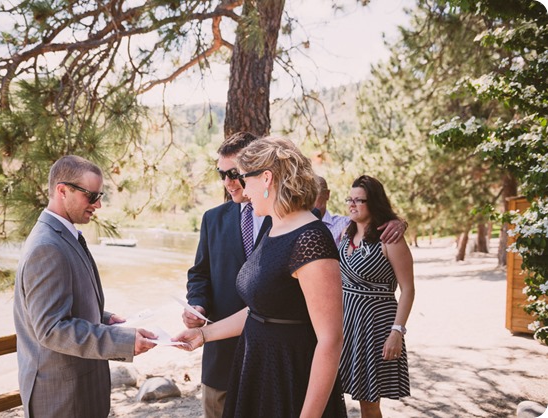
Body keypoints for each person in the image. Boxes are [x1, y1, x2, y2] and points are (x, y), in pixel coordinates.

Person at [176, 136, 348, 418]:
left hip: (290, 378)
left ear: (266, 178)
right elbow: (260, 311)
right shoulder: (274, 229)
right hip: (257, 370)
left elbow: (330, 340)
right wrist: (203, 335)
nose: (242, 190)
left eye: (244, 178)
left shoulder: (311, 238)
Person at [13, 155, 156, 418]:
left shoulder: (63, 236)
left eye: (99, 195)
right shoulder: (47, 246)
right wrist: (122, 341)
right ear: (62, 190)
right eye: (91, 196)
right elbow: (52, 329)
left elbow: (61, 308)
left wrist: (105, 318)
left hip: (79, 387)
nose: (98, 204)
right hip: (62, 396)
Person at [184, 131, 272, 418]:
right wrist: (197, 305)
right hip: (220, 356)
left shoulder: (286, 219)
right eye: (222, 174)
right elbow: (199, 275)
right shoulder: (212, 219)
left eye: (234, 174)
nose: (227, 183)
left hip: (271, 355)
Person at [338, 175, 415, 418]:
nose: (352, 204)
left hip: (375, 328)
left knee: (368, 401)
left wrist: (397, 332)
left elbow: (408, 289)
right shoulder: (345, 233)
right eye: (350, 199)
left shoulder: (390, 238)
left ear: (374, 203)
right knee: (334, 391)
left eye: (359, 200)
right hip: (345, 324)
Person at [314, 175, 406, 248]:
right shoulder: (299, 225)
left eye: (314, 196)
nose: (307, 202)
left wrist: (399, 223)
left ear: (327, 195)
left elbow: (371, 219)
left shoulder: (345, 225)